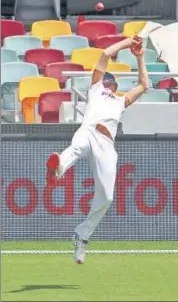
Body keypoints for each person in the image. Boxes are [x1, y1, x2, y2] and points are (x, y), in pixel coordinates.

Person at [46, 35, 149, 264]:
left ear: (115, 86)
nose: (107, 85)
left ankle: (82, 236)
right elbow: (104, 55)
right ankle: (57, 169)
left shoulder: (120, 101)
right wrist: (126, 43)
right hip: (89, 130)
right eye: (105, 81)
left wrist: (139, 56)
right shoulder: (94, 89)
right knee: (75, 146)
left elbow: (144, 85)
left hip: (106, 145)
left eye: (110, 83)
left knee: (107, 197)